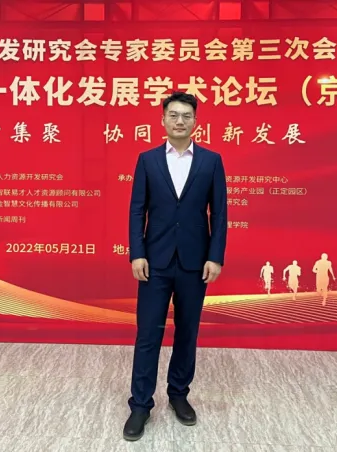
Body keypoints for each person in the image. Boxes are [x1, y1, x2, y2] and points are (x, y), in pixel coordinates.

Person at [125, 92, 227, 441]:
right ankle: (140, 404)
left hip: (195, 263)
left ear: (195, 122)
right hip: (154, 261)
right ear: (163, 120)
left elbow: (219, 213)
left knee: (187, 331)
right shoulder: (148, 160)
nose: (180, 121)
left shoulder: (211, 161)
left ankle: (179, 394)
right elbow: (137, 209)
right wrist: (137, 253)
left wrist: (215, 256)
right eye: (173, 115)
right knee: (147, 334)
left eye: (186, 115)